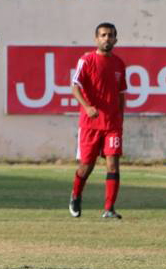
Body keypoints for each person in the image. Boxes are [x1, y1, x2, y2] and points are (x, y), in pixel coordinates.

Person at [69, 22, 126, 219]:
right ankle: (76, 194)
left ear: (115, 39)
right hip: (90, 123)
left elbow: (121, 94)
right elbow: (75, 86)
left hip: (112, 125)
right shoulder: (86, 60)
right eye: (103, 35)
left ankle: (109, 209)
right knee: (87, 166)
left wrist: (120, 118)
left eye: (110, 35)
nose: (107, 38)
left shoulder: (119, 64)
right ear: (96, 39)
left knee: (113, 164)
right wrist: (86, 106)